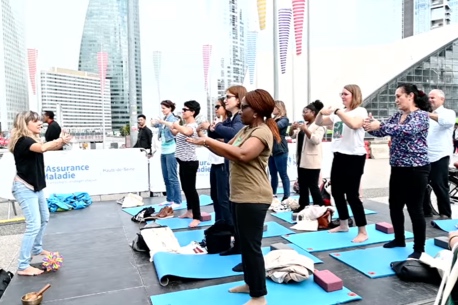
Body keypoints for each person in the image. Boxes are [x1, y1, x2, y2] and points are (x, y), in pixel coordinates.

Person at [187, 89, 279, 305]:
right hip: (239, 195)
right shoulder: (246, 129)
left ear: (255, 111)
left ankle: (259, 296)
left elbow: (243, 154)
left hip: (254, 197)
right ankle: (250, 283)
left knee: (251, 246)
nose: (240, 111)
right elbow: (228, 149)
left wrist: (207, 142)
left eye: (244, 107)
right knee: (244, 244)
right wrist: (207, 140)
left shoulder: (262, 132)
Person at [364, 83, 430, 259]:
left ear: (410, 96)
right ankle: (399, 239)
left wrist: (380, 126)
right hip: (398, 167)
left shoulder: (421, 116)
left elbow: (408, 131)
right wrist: (370, 125)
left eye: (398, 96)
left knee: (415, 209)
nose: (396, 100)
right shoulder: (398, 116)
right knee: (395, 205)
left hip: (416, 168)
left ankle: (419, 248)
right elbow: (382, 131)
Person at [9, 111, 72, 276]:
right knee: (33, 225)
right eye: (36, 121)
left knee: (44, 218)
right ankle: (23, 265)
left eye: (39, 120)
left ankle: (36, 249)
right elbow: (44, 147)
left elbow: (47, 147)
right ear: (25, 124)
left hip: (35, 188)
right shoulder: (23, 141)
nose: (40, 123)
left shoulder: (31, 140)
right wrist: (60, 140)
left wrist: (61, 141)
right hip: (25, 188)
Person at [315, 84, 369, 243]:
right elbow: (319, 123)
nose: (342, 96)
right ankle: (343, 223)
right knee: (337, 192)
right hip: (339, 156)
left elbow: (354, 124)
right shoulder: (339, 115)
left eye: (345, 94)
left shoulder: (360, 111)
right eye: (342, 94)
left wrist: (337, 111)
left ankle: (363, 231)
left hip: (354, 157)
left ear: (354, 95)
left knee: (352, 195)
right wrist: (321, 113)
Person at [200, 85, 246, 256]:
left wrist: (214, 127)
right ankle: (230, 237)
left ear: (239, 99)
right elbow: (219, 135)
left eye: (228, 97)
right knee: (222, 200)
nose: (225, 101)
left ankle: (236, 240)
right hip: (229, 165)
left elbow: (234, 132)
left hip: (235, 169)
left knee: (231, 204)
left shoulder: (240, 118)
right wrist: (212, 129)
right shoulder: (233, 118)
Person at [162, 100, 201, 227]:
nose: (182, 112)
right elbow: (174, 132)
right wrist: (165, 122)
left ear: (193, 112)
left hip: (190, 162)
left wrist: (176, 124)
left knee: (191, 190)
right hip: (182, 161)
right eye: (182, 110)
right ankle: (189, 211)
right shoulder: (183, 125)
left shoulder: (193, 125)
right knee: (186, 189)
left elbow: (187, 132)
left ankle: (197, 216)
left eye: (185, 110)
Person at [423, 89, 456, 218]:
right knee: (422, 185)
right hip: (424, 156)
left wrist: (427, 115)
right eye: (429, 98)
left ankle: (445, 214)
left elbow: (447, 122)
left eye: (433, 98)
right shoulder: (425, 114)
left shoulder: (448, 113)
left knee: (439, 184)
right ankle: (426, 211)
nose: (430, 100)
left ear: (442, 99)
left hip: (440, 155)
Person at [198, 97, 231, 224]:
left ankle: (228, 227)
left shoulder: (228, 123)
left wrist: (215, 139)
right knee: (215, 197)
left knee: (223, 198)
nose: (215, 109)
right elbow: (210, 140)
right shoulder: (216, 123)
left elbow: (228, 140)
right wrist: (201, 132)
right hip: (215, 161)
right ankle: (219, 224)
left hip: (223, 162)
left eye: (218, 107)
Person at [289, 100, 326, 211]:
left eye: (306, 112)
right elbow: (292, 136)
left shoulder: (319, 126)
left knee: (313, 186)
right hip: (301, 160)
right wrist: (292, 128)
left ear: (314, 113)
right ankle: (303, 205)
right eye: (303, 112)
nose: (303, 114)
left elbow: (316, 140)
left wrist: (306, 130)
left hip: (312, 161)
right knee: (303, 185)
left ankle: (320, 207)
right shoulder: (304, 125)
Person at [152, 100, 182, 207]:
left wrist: (161, 122)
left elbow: (174, 127)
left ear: (170, 108)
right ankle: (169, 198)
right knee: (166, 176)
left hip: (172, 150)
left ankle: (177, 200)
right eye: (162, 108)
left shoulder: (173, 119)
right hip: (164, 150)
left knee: (172, 176)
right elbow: (156, 126)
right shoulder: (163, 119)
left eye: (164, 108)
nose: (162, 110)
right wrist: (154, 122)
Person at [269, 100, 291, 201]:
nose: (272, 109)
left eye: (274, 107)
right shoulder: (273, 119)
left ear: (279, 108)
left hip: (280, 149)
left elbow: (276, 127)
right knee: (273, 174)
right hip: (272, 150)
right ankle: (273, 194)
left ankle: (286, 195)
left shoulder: (284, 119)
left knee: (283, 174)